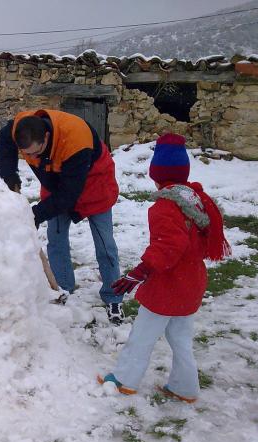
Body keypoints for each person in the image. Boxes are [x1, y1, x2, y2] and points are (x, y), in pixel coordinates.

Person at [98, 133, 230, 403]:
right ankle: (185, 387)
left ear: (156, 174)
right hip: (191, 283)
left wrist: (140, 272)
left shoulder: (166, 207)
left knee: (142, 336)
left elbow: (169, 246)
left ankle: (124, 379)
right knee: (181, 339)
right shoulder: (195, 198)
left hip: (168, 286)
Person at [0, 109, 124, 323]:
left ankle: (113, 297)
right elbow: (4, 142)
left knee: (105, 246)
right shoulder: (20, 128)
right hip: (55, 184)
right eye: (27, 154)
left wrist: (36, 214)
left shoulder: (76, 140)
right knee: (56, 240)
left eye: (36, 153)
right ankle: (62, 288)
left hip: (95, 185)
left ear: (46, 137)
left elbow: (68, 194)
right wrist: (10, 176)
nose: (32, 158)